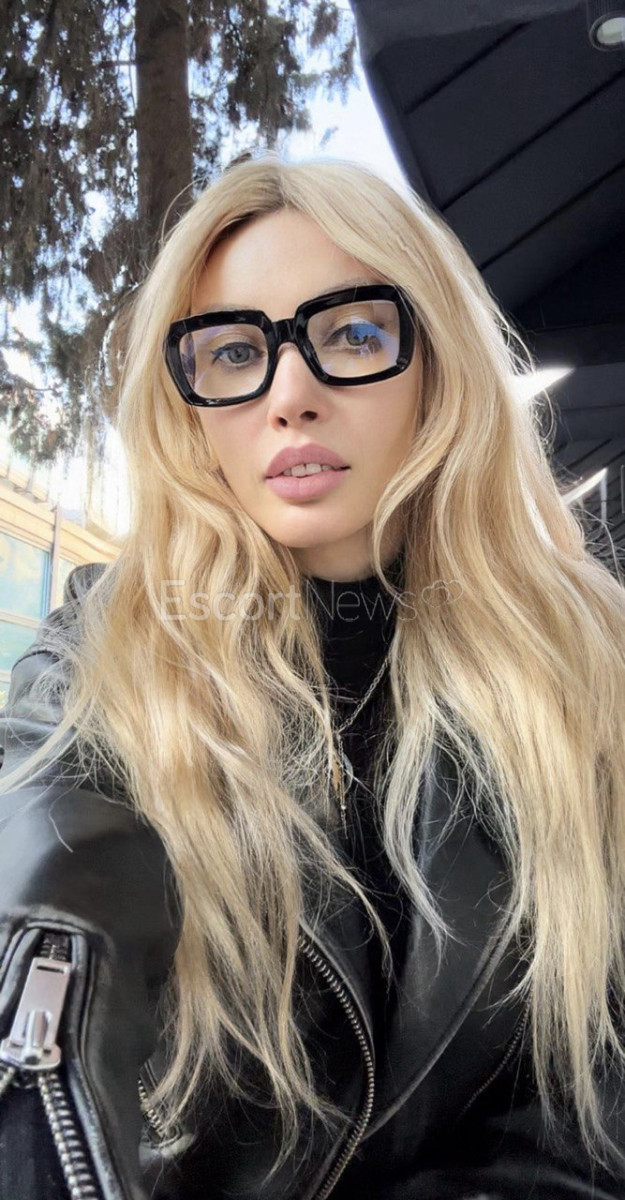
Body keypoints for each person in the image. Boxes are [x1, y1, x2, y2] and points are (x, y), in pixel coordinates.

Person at [0, 152, 624, 1200]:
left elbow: (593, 1119)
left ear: (438, 365)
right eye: (234, 351)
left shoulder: (590, 671)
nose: (291, 395)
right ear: (188, 404)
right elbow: (37, 868)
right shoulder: (102, 665)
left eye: (353, 335)